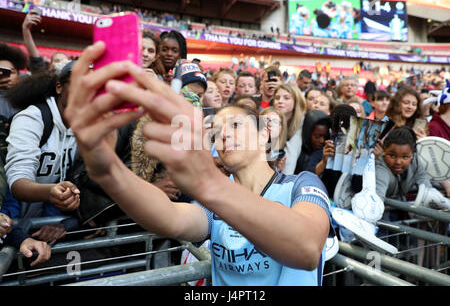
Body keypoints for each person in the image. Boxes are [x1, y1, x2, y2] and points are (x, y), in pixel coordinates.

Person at [63, 42, 333, 285]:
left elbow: (307, 249)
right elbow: (169, 218)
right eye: (216, 131)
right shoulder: (212, 201)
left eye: (236, 125)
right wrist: (108, 170)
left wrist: (209, 184)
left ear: (264, 134)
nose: (224, 134)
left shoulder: (302, 184)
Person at [4, 61, 80, 244]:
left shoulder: (85, 129)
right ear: (59, 87)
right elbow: (17, 182)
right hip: (8, 220)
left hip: (40, 227)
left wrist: (63, 221)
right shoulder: (32, 118)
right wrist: (52, 192)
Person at [375, 126, 449, 219]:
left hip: (399, 210)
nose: (398, 161)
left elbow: (423, 179)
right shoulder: (381, 169)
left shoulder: (415, 160)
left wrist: (434, 196)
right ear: (384, 151)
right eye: (392, 155)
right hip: (382, 215)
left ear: (412, 154)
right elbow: (378, 195)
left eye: (405, 157)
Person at [273, 83, 306, 175]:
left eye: (286, 98)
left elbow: (290, 158)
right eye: (277, 98)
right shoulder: (269, 119)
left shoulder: (301, 123)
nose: (280, 101)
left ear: (296, 101)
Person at [294, 110, 330, 174]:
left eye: (325, 137)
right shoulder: (295, 149)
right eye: (317, 136)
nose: (322, 141)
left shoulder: (326, 152)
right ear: (307, 133)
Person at [0, 43, 28, 121]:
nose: (6, 76)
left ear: (18, 75)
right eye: (1, 71)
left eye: (10, 72)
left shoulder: (27, 95)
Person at [260, 107, 288, 172]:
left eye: (275, 121)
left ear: (281, 128)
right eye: (266, 120)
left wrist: (278, 172)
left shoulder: (281, 157)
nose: (269, 124)